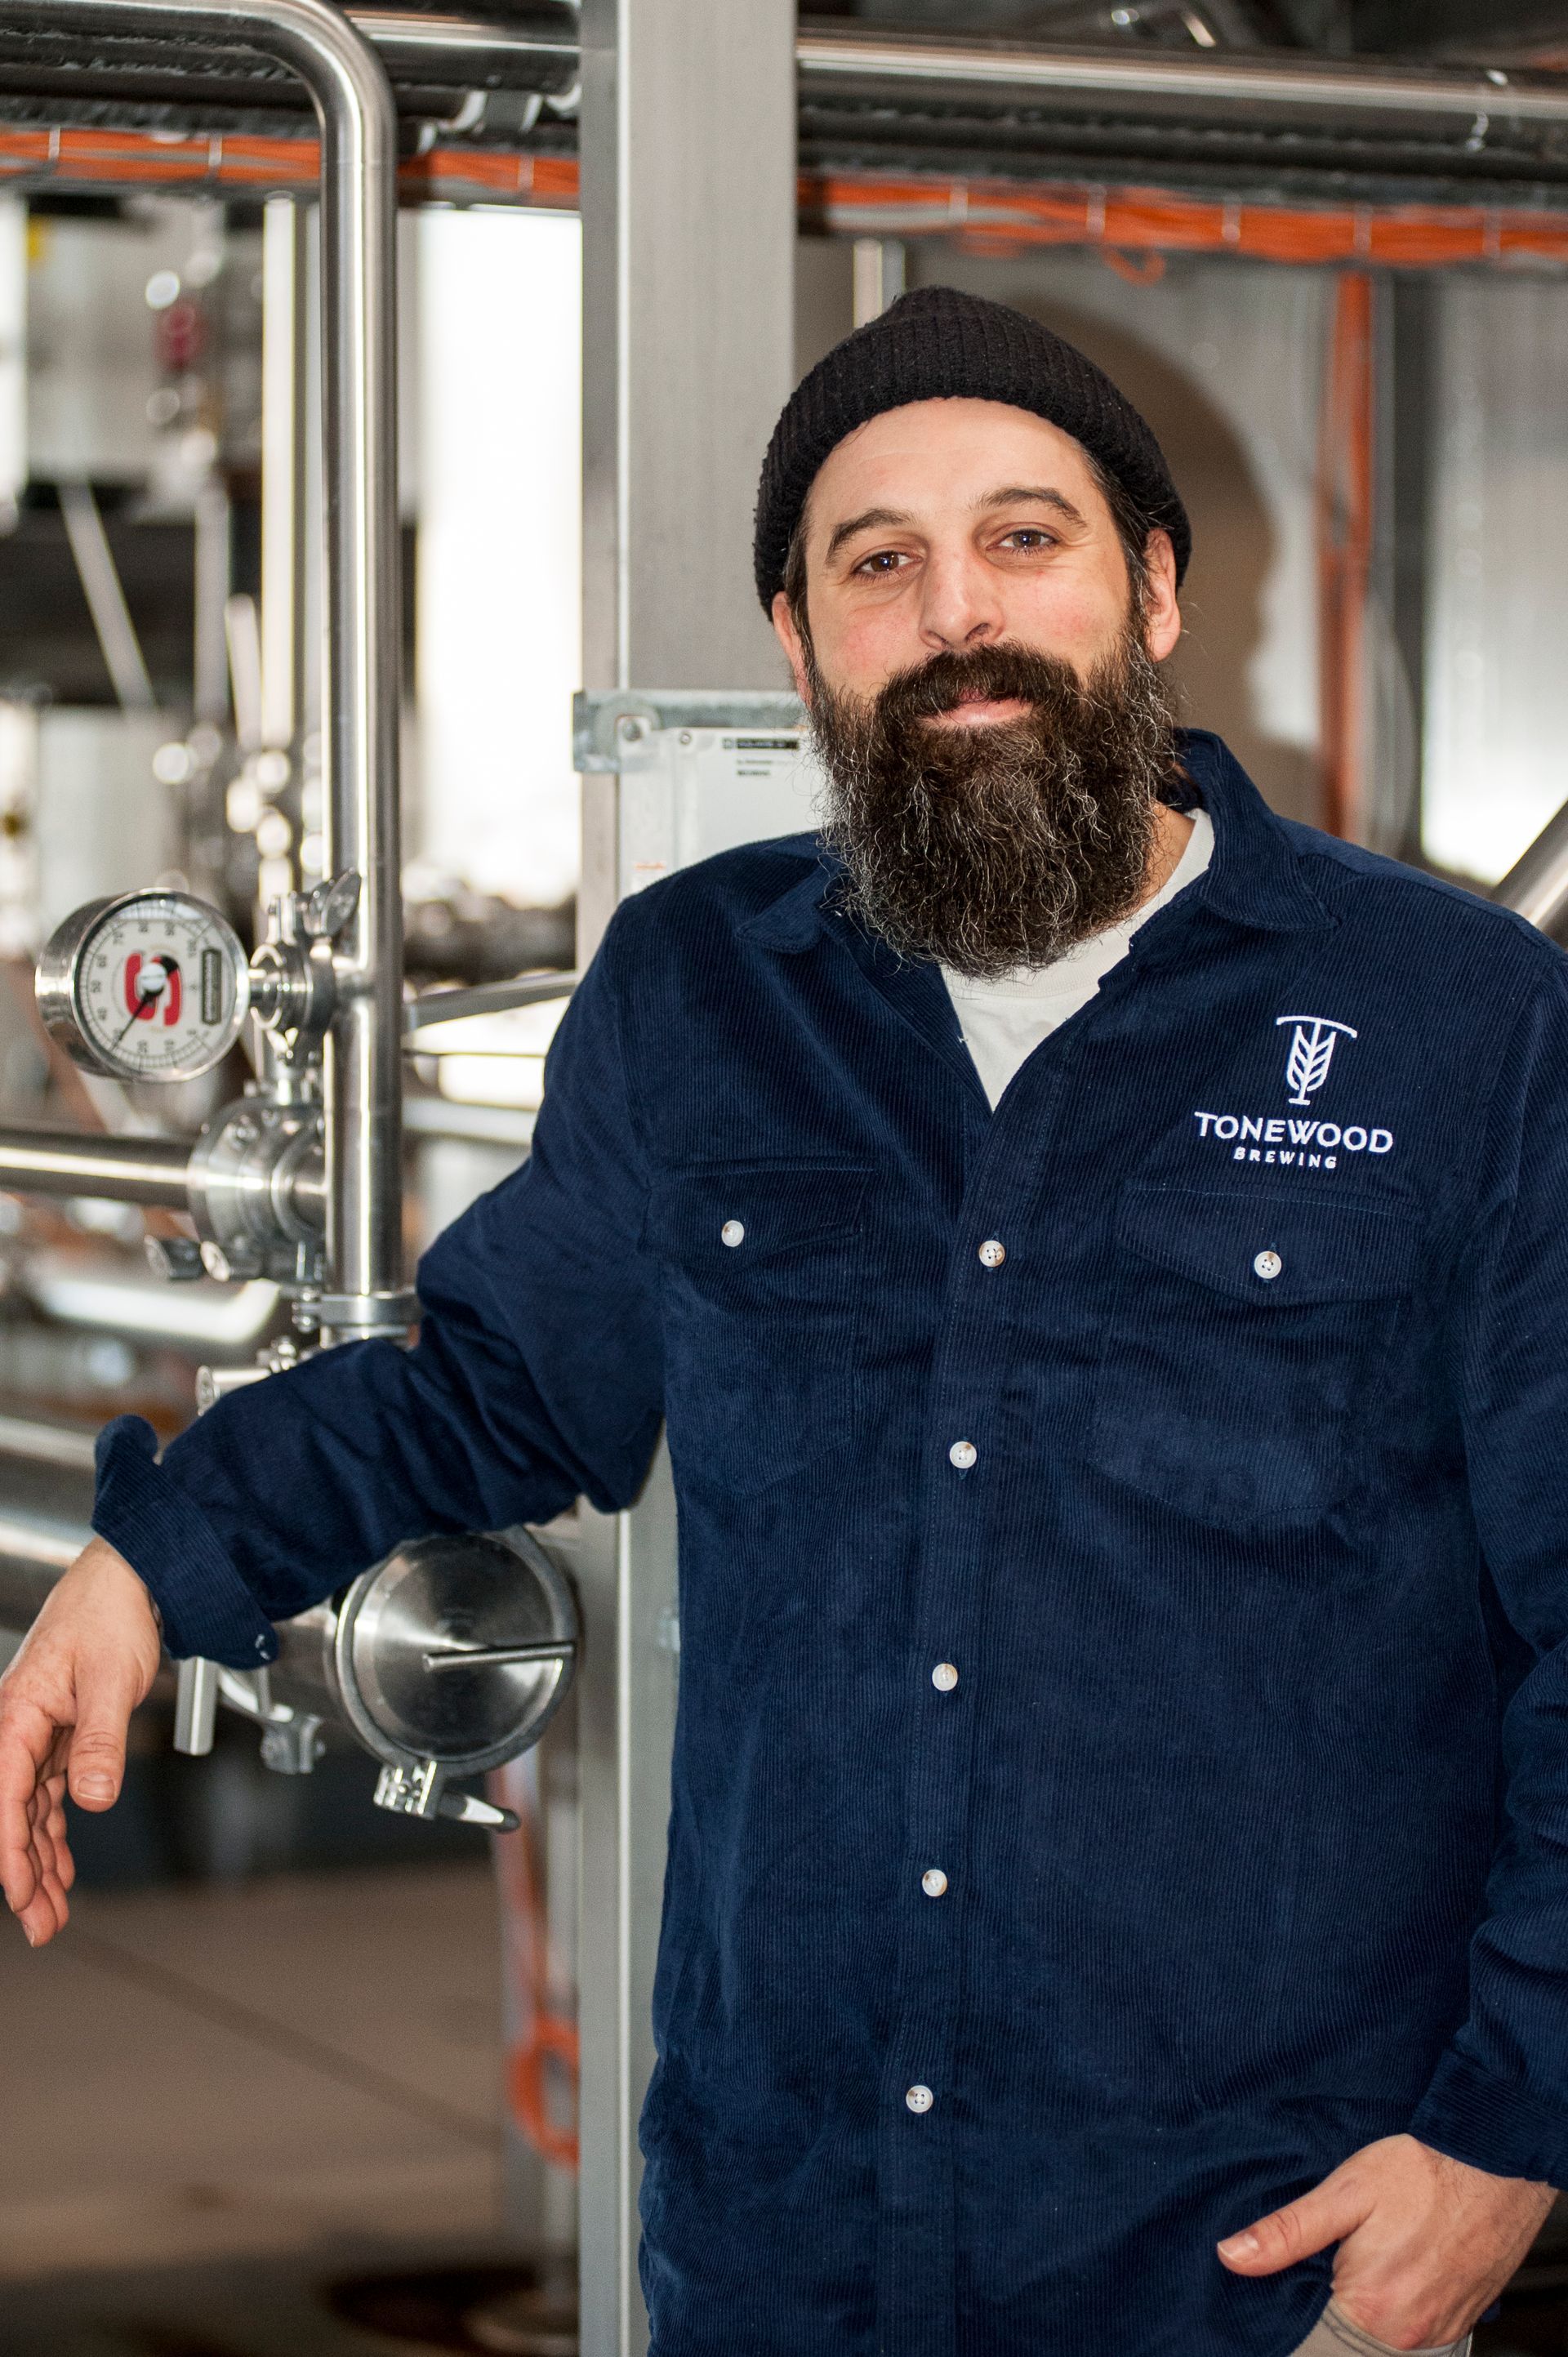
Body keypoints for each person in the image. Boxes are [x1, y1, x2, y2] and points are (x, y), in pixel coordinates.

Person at [0, 284, 1563, 2357]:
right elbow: (486, 1388)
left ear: (1154, 591)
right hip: (787, 2239)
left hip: (1255, 2259)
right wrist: (147, 1563)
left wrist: (1513, 2129)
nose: (956, 612)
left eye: (1027, 538)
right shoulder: (699, 994)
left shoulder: (1453, 1020)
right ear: (801, 644)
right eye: (879, 563)